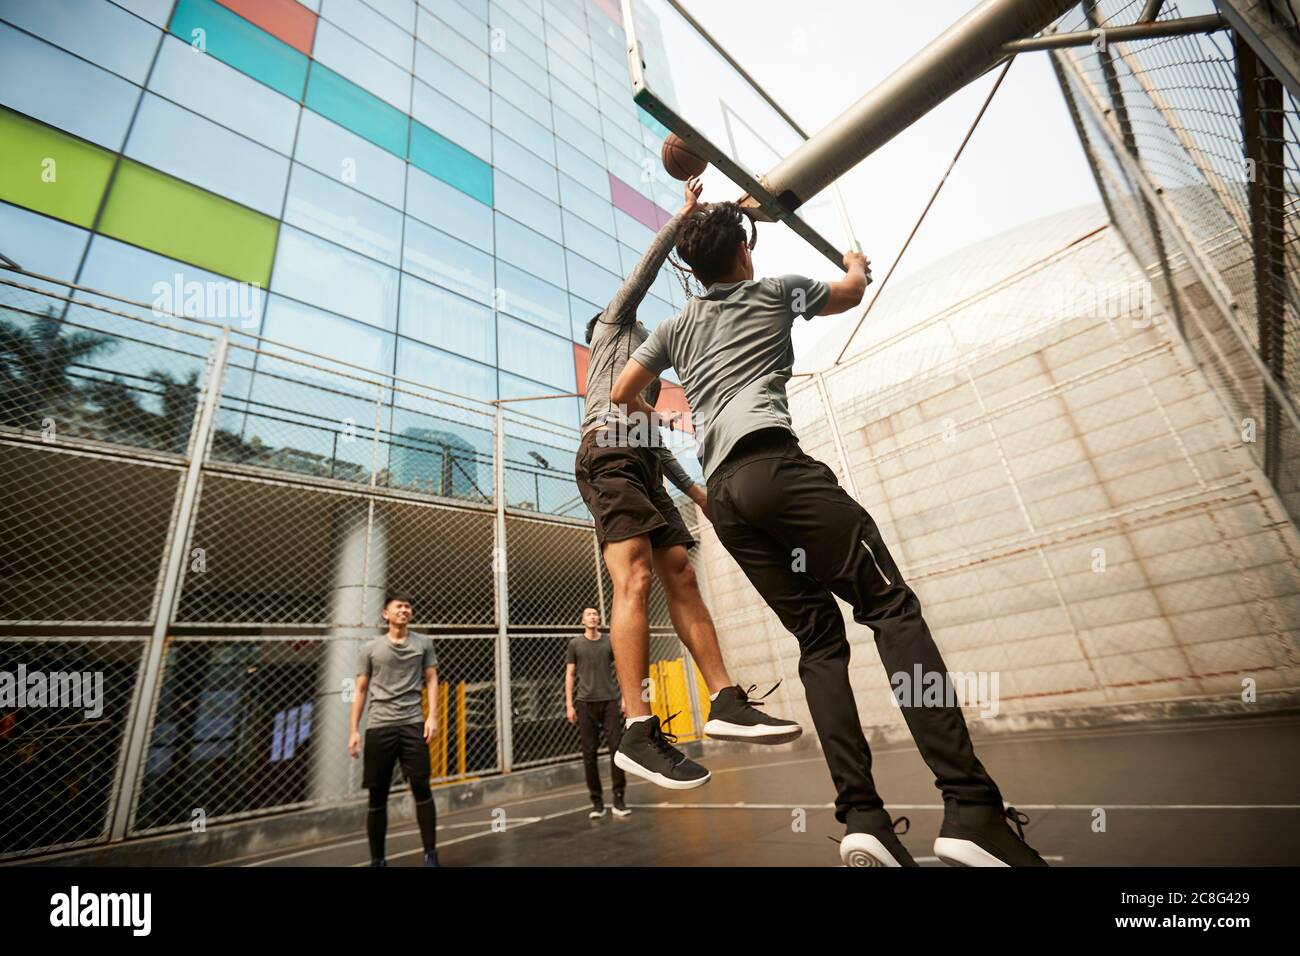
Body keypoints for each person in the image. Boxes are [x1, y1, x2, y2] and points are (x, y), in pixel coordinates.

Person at [610, 201, 1048, 867]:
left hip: (725, 498)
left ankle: (863, 818)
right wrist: (852, 262)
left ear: (692, 269)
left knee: (819, 641)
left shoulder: (674, 326)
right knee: (891, 610)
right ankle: (970, 808)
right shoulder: (777, 290)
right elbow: (849, 293)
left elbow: (620, 391)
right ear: (745, 253)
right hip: (777, 467)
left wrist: (666, 413)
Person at [575, 177, 801, 793]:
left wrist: (697, 490)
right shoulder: (612, 330)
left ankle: (724, 700)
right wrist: (684, 218)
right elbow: (644, 274)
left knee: (680, 571)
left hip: (643, 462)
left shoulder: (644, 370)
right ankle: (636, 730)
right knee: (637, 576)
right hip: (607, 450)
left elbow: (654, 439)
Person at [348, 593, 440, 867]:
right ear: (385, 614)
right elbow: (361, 689)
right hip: (380, 726)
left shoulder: (423, 643)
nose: (405, 610)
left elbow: (432, 680)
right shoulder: (370, 648)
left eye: (408, 607)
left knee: (421, 786)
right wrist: (353, 730)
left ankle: (430, 854)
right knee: (378, 793)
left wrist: (432, 716)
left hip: (413, 722)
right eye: (399, 606)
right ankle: (378, 859)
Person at [565, 605, 630, 818]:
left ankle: (619, 799)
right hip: (585, 703)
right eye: (589, 615)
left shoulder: (608, 641)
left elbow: (620, 668)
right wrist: (569, 704)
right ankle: (597, 803)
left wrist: (625, 697)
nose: (593, 617)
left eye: (595, 614)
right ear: (582, 620)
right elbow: (570, 675)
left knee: (617, 750)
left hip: (610, 700)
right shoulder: (575, 644)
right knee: (589, 754)